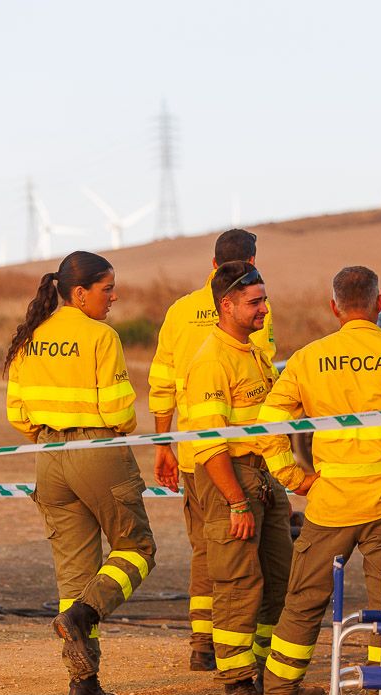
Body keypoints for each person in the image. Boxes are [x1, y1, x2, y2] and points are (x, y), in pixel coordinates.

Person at [246, 265, 381, 695]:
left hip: (330, 501)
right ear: (379, 304)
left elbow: (267, 422)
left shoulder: (308, 358)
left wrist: (293, 475)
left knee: (303, 600)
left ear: (333, 307)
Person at [4, 251, 156, 695]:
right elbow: (120, 414)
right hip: (98, 451)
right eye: (107, 289)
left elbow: (18, 415)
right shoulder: (101, 336)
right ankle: (85, 614)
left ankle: (83, 687)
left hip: (48, 457)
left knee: (74, 578)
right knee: (138, 549)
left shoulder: (31, 338)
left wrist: (53, 433)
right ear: (79, 293)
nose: (113, 297)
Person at [184, 261, 320, 695]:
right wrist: (236, 502)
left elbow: (267, 426)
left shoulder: (253, 354)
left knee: (278, 582)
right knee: (238, 583)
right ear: (227, 305)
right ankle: (238, 683)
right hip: (232, 482)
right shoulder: (211, 361)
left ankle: (271, 678)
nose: (265, 308)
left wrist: (291, 478)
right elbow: (208, 445)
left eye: (264, 299)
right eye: (255, 302)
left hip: (263, 477)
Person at [148, 229, 275, 671]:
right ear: (252, 260)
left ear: (212, 260)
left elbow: (162, 381)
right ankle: (236, 667)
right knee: (238, 560)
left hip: (190, 449)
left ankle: (204, 642)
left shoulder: (180, 310)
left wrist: (163, 442)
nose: (260, 309)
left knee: (206, 550)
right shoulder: (253, 311)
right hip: (226, 457)